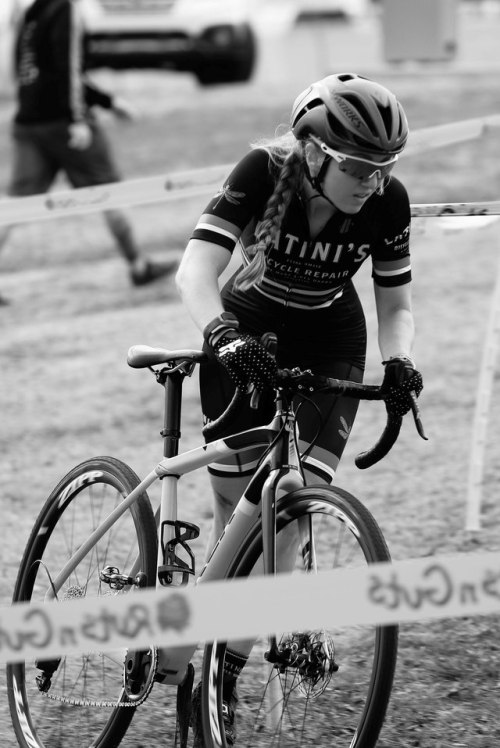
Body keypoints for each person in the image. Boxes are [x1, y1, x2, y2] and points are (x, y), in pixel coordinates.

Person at [175, 72, 423, 745]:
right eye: (360, 167)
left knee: (290, 516)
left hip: (332, 338)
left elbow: (395, 303)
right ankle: (200, 656)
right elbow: (195, 271)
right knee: (238, 529)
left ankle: (221, 674)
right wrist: (222, 335)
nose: (374, 181)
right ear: (312, 153)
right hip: (246, 330)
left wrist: (398, 362)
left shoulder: (386, 201)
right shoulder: (263, 169)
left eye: (386, 167)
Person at [0, 0, 177, 305]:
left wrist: (108, 101)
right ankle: (138, 266)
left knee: (14, 207)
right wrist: (78, 118)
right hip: (65, 124)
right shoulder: (64, 7)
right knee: (110, 192)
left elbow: (27, 72)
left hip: (28, 121)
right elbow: (67, 68)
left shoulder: (32, 11)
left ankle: (138, 265)